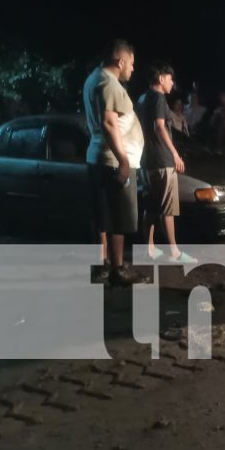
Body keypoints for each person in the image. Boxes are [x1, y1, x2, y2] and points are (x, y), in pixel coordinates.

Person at [83, 39, 149, 286]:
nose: (133, 68)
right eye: (131, 63)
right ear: (121, 61)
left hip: (98, 157)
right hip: (113, 159)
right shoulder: (108, 84)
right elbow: (110, 123)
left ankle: (103, 266)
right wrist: (123, 159)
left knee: (102, 215)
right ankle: (118, 269)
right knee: (118, 217)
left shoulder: (93, 79)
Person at [138, 63, 197, 264]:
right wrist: (175, 155)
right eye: (170, 79)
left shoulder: (142, 98)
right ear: (161, 78)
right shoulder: (158, 98)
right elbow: (159, 127)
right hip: (162, 159)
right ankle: (174, 252)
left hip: (146, 159)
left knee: (151, 205)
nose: (172, 83)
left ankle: (150, 248)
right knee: (167, 208)